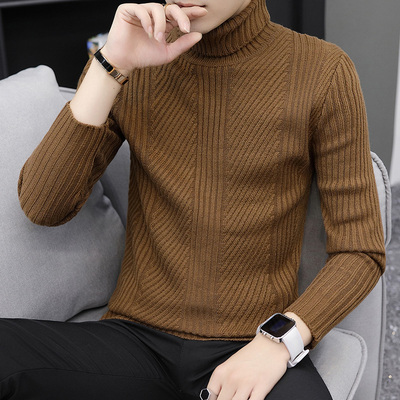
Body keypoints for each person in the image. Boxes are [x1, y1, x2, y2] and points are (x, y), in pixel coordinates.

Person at [1, 0, 385, 399]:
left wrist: (278, 340)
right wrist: (111, 63)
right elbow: (44, 205)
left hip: (249, 346)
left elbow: (360, 250)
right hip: (133, 342)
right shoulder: (131, 59)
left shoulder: (323, 70)